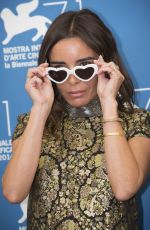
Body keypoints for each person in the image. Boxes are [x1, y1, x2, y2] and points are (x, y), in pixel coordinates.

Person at [2, 9, 150, 230]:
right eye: (60, 72)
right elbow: (13, 193)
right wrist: (41, 108)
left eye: (84, 69)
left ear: (106, 65)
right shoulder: (31, 123)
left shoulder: (135, 122)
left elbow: (124, 188)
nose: (72, 82)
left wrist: (108, 103)